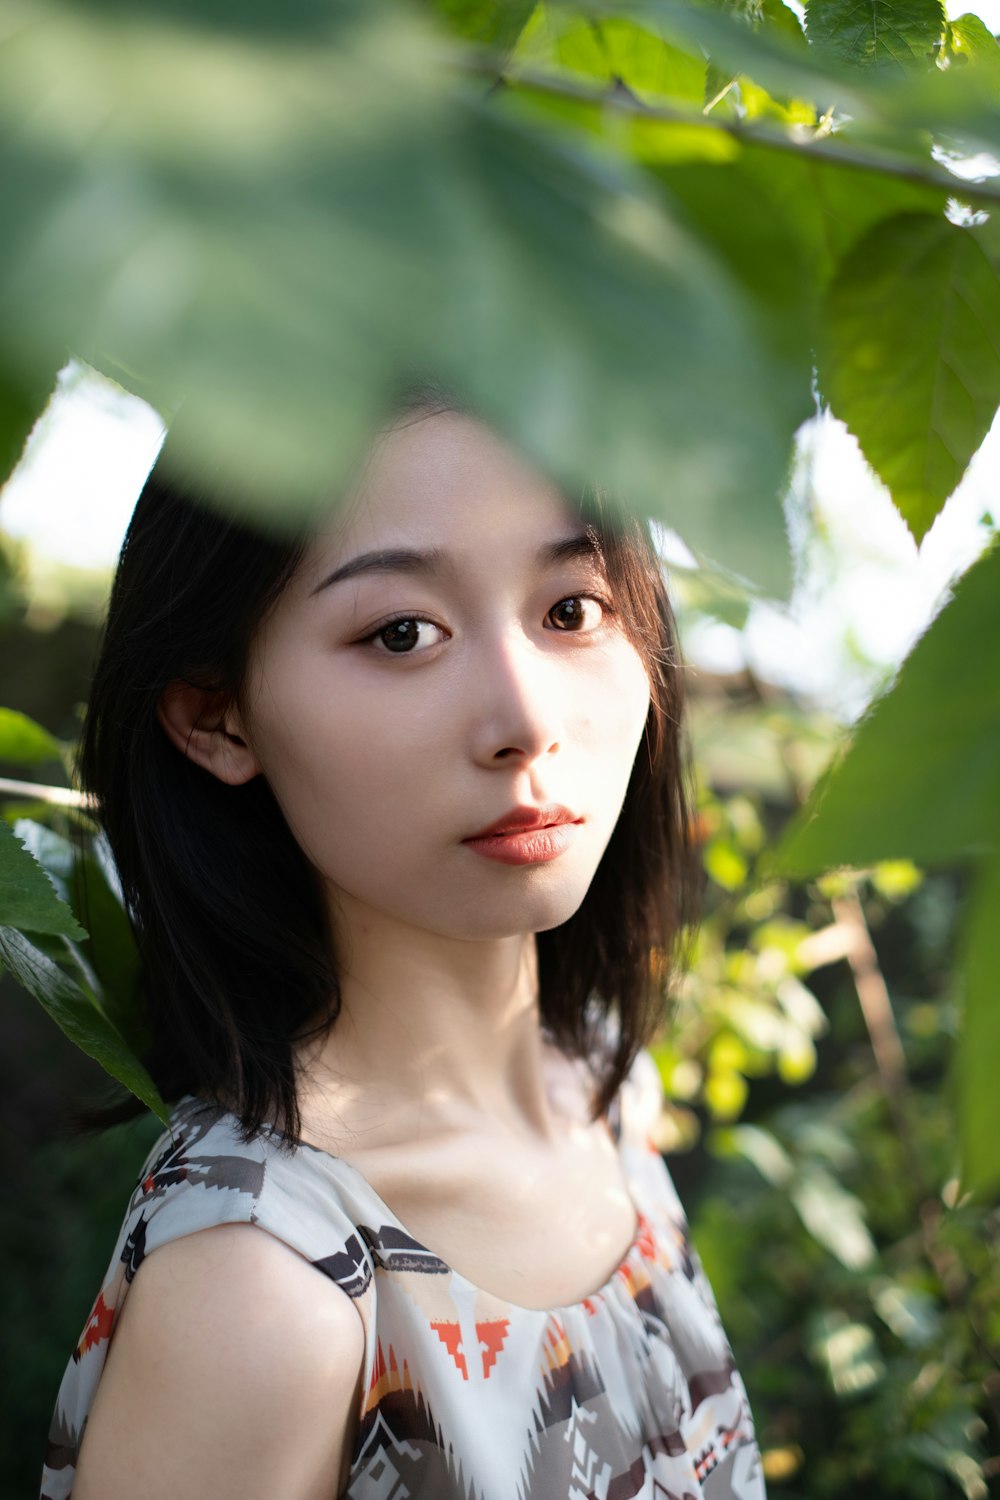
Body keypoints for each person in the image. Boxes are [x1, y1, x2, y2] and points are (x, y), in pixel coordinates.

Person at [40, 386, 766, 1499]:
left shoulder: (602, 1081)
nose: (524, 718)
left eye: (571, 609)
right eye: (401, 633)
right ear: (215, 715)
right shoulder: (263, 1291)